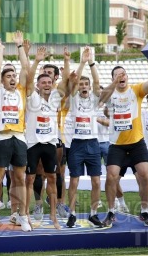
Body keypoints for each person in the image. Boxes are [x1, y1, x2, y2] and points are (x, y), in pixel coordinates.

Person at [99, 58, 148, 227]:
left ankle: (145, 210)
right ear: (113, 79)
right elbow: (102, 99)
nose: (121, 77)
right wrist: (113, 84)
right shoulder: (111, 94)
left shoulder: (136, 90)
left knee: (145, 174)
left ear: (128, 76)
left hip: (136, 142)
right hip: (117, 145)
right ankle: (111, 212)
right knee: (111, 177)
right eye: (117, 75)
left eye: (123, 74)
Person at [0, 32, 31, 232]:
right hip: (2, 138)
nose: (13, 78)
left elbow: (25, 67)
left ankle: (22, 216)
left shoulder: (21, 91)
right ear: (3, 80)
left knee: (20, 178)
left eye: (14, 76)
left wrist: (20, 46)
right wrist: (1, 52)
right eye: (9, 76)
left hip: (19, 138)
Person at [25, 46, 68, 230]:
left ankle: (54, 218)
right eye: (43, 82)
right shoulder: (32, 97)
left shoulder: (56, 99)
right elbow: (27, 80)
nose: (47, 84)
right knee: (29, 179)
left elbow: (66, 83)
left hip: (50, 144)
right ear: (38, 85)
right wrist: (36, 61)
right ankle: (26, 215)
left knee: (52, 179)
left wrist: (67, 59)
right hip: (33, 144)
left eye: (49, 82)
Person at [65, 47, 104, 228]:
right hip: (77, 144)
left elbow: (97, 81)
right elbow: (71, 85)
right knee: (74, 180)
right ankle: (72, 213)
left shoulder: (94, 101)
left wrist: (91, 62)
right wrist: (81, 63)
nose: (83, 87)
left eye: (85, 85)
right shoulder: (74, 100)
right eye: (81, 84)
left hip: (93, 144)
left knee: (96, 181)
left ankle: (93, 214)